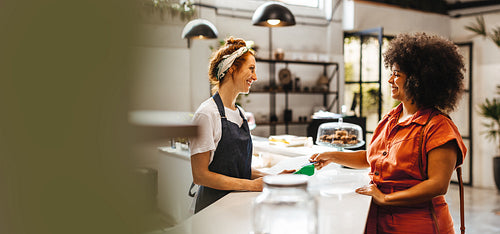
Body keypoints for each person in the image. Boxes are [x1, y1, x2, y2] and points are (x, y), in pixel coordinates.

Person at [310, 32, 467, 233]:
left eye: (397, 74)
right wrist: (331, 156)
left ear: (418, 80)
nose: (390, 79)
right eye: (391, 72)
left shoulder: (438, 127)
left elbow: (438, 185)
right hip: (378, 221)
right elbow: (372, 158)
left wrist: (385, 198)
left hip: (419, 225)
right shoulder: (391, 118)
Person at [189, 37, 293, 213]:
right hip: (213, 209)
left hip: (238, 204)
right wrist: (252, 186)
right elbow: (200, 176)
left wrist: (273, 179)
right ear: (232, 69)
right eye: (251, 69)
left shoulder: (240, 114)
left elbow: (239, 169)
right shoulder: (207, 113)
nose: (255, 77)